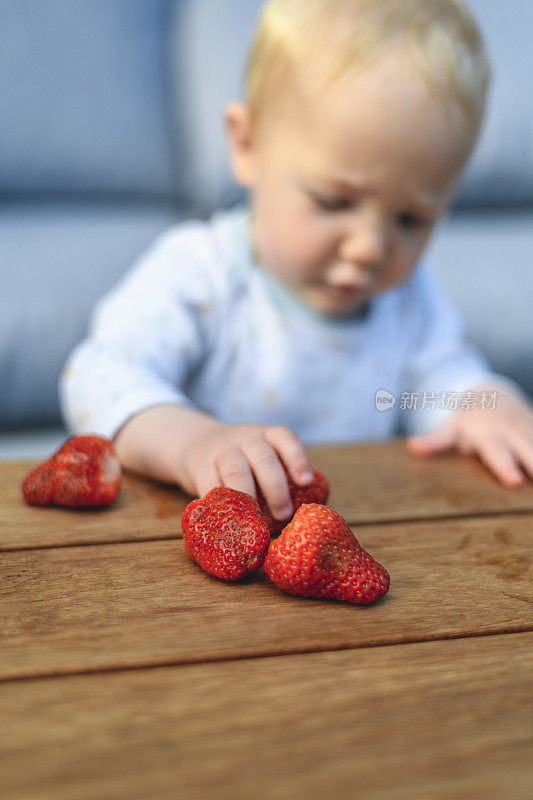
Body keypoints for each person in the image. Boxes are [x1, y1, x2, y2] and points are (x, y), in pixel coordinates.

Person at [60, 0, 533, 522]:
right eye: (335, 202)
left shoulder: (406, 300)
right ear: (248, 146)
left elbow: (443, 382)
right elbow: (98, 374)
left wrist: (491, 404)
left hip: (354, 536)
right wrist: (193, 442)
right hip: (196, 542)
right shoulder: (205, 272)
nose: (369, 249)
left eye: (411, 220)